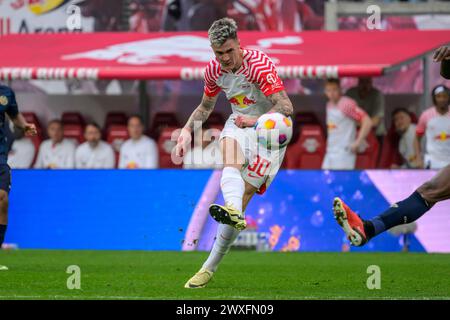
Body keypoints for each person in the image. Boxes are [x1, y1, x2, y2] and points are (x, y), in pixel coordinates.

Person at [175, 18, 293, 288]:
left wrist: (255, 121)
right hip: (239, 121)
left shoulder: (259, 65)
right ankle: (232, 210)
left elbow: (286, 106)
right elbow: (205, 108)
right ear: (212, 51)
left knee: (245, 194)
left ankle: (209, 266)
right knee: (230, 157)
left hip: (271, 130)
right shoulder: (214, 71)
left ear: (239, 44)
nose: (225, 58)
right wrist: (186, 131)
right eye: (219, 53)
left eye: (229, 50)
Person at [332, 45, 450, 247]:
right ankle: (368, 228)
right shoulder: (428, 117)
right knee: (428, 192)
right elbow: (446, 72)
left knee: (428, 192)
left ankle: (369, 228)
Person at [0, 84, 37, 270]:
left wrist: (24, 125)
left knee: (2, 199)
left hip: (0, 155)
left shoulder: (5, 93)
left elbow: (14, 114)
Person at [322, 78, 373, 170]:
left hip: (344, 152)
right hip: (330, 150)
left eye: (334, 89)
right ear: (325, 92)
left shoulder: (346, 104)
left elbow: (367, 121)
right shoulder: (328, 105)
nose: (332, 93)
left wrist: (358, 142)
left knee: (340, 182)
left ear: (340, 90)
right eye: (329, 90)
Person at [415, 84, 450, 169]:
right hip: (432, 162)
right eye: (438, 96)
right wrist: (418, 158)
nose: (442, 99)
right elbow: (417, 138)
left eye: (444, 96)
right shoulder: (426, 115)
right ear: (434, 99)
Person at [346, 77, 386, 143]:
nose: (365, 85)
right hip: (353, 133)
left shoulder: (377, 95)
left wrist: (356, 123)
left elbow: (376, 121)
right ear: (358, 82)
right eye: (362, 82)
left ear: (371, 83)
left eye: (367, 82)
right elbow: (344, 117)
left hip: (375, 133)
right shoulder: (350, 93)